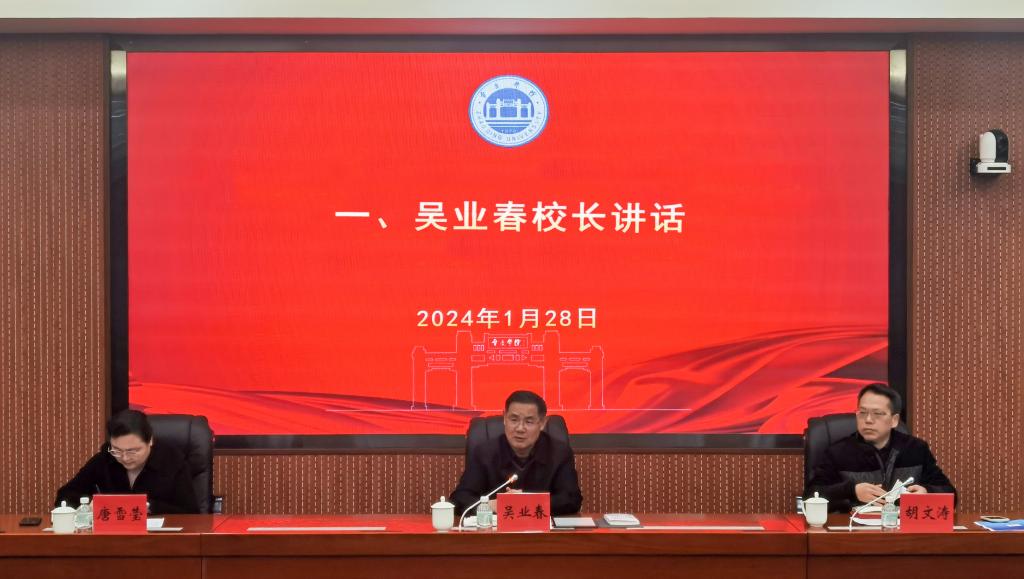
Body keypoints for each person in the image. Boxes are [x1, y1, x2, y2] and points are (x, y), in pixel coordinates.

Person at [807, 383, 956, 512]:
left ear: (894, 420)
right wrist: (851, 491)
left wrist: (927, 492)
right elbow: (810, 497)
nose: (868, 420)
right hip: (855, 530)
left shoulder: (916, 449)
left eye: (877, 414)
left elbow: (951, 495)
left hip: (903, 530)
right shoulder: (838, 452)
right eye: (862, 413)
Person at [452, 390, 583, 517]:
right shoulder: (484, 453)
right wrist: (490, 505)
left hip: (543, 530)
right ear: (505, 418)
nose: (520, 428)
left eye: (529, 421)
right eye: (514, 420)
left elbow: (572, 500)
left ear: (542, 423)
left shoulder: (559, 453)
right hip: (495, 530)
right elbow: (459, 499)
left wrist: (525, 502)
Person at [56, 409, 200, 514]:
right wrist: (91, 504)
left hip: (159, 540)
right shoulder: (105, 458)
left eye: (132, 451)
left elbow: (191, 513)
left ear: (150, 441)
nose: (124, 458)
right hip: (112, 539)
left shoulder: (172, 461)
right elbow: (64, 496)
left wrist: (148, 507)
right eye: (117, 450)